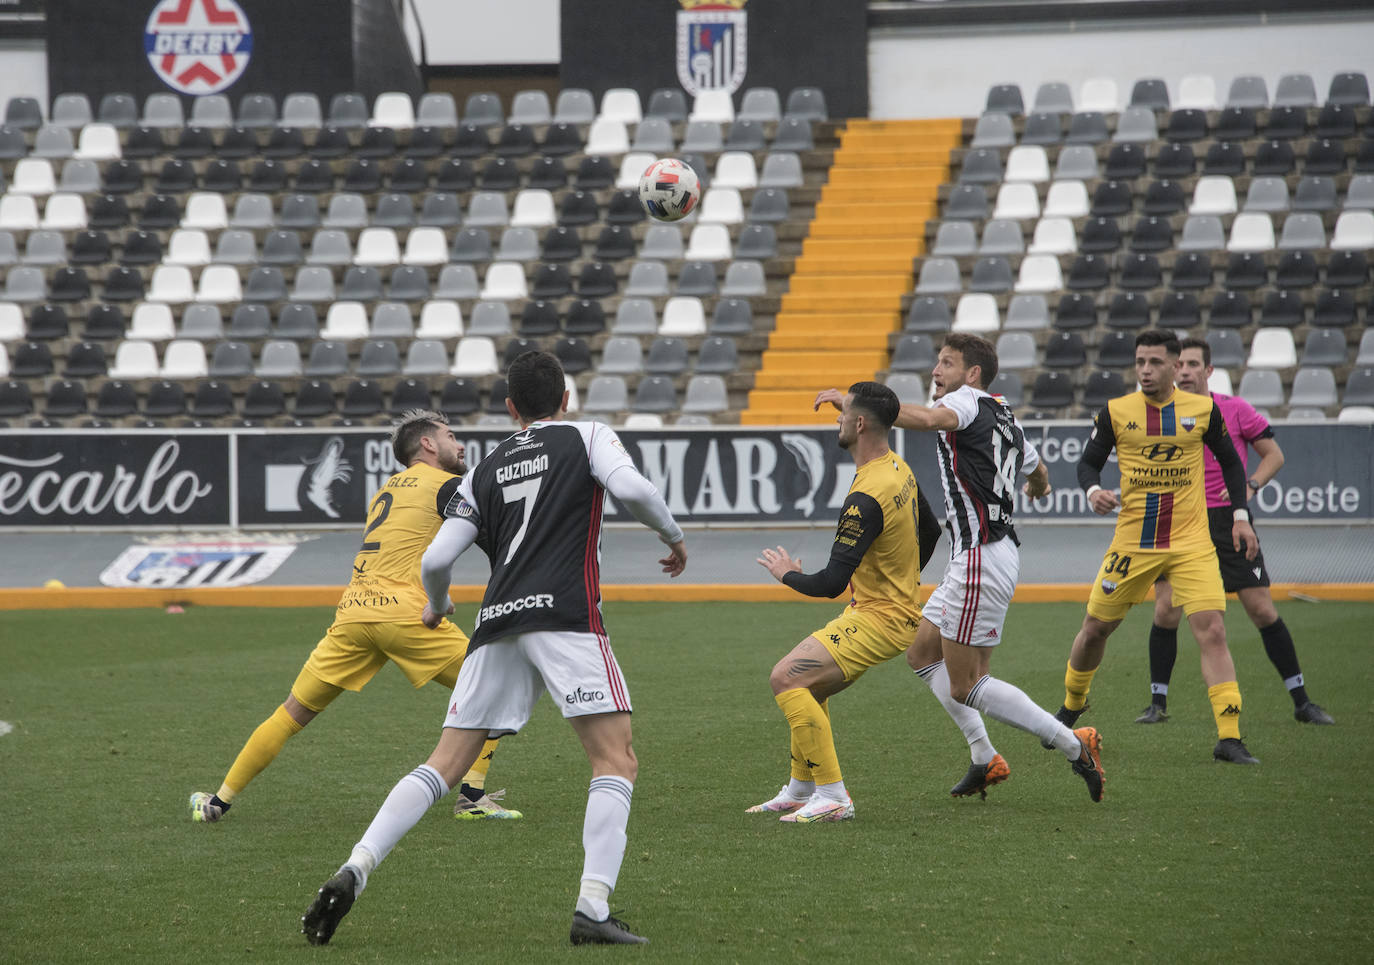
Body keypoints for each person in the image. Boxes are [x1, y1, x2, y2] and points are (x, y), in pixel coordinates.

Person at [301, 351, 687, 947]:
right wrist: (673, 536)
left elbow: (435, 560)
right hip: (565, 617)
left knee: (443, 765)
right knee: (616, 760)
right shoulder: (586, 436)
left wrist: (436, 602)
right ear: (566, 398)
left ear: (510, 409)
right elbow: (633, 488)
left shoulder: (483, 468)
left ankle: (357, 865)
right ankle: (592, 907)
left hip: (496, 622)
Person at [188, 409, 518, 824]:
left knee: (292, 712)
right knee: (492, 686)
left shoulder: (387, 490)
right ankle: (471, 795)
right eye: (451, 436)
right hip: (405, 615)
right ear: (429, 445)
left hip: (353, 612)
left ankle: (219, 800)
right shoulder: (449, 484)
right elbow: (494, 535)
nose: (460, 444)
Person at [821, 334, 1105, 803]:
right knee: (920, 651)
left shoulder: (966, 402)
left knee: (967, 682)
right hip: (977, 555)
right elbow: (1037, 470)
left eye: (947, 363)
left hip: (981, 556)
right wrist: (1038, 488)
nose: (937, 371)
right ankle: (983, 756)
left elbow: (931, 419)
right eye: (937, 362)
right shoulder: (1004, 414)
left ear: (972, 375)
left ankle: (1074, 744)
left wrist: (860, 406)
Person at [1057, 330, 1261, 764]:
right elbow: (1088, 462)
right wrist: (1092, 490)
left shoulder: (1202, 411)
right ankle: (1072, 704)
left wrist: (1241, 517)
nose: (1145, 370)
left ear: (1174, 366)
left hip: (1191, 542)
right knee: (1095, 629)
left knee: (1213, 629)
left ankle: (1229, 737)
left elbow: (1230, 461)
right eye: (1140, 362)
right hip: (1134, 542)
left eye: (1154, 362)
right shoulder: (1116, 412)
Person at [752, 381, 937, 822]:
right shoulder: (899, 469)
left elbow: (831, 582)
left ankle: (833, 795)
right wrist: (900, 582)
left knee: (786, 678)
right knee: (809, 685)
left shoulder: (864, 497)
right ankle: (800, 789)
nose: (837, 419)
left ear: (858, 423)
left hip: (879, 618)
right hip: (894, 612)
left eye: (843, 413)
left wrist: (786, 574)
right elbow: (930, 531)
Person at [1137, 337, 1332, 726]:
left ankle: (1302, 701)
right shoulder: (1157, 412)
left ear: (1209, 372)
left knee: (1261, 609)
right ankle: (1157, 704)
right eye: (1182, 365)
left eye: (1194, 365)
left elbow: (1273, 455)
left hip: (1230, 521)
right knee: (1166, 609)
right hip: (1178, 523)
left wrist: (1251, 486)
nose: (1186, 371)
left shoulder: (1235, 409)